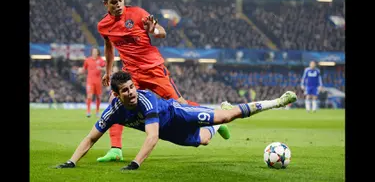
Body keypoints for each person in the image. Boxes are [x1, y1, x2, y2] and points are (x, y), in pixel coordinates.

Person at [55, 71, 297, 171]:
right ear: (117, 94)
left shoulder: (146, 100)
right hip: (170, 132)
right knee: (203, 141)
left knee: (228, 115)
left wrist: (136, 164)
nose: (131, 92)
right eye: (125, 90)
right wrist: (71, 162)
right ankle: (215, 126)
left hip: (178, 113)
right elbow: (91, 138)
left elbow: (152, 136)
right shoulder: (113, 112)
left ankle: (277, 101)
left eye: (132, 87)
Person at [95, 0, 204, 161]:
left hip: (153, 69)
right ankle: (116, 149)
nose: (119, 5)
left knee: (180, 105)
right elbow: (108, 48)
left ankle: (210, 117)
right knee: (115, 103)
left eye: (121, 0)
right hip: (131, 73)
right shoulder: (103, 26)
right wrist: (108, 72)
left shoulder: (137, 13)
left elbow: (162, 32)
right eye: (114, 2)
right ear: (106, 5)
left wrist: (153, 30)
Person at [80, 47, 106, 118]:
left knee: (98, 97)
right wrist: (80, 71)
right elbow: (83, 69)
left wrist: (101, 68)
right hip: (90, 81)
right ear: (91, 52)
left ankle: (97, 112)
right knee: (89, 96)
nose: (94, 53)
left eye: (96, 51)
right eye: (93, 51)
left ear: (98, 52)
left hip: (98, 81)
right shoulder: (87, 60)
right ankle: (88, 111)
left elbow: (106, 68)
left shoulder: (101, 60)